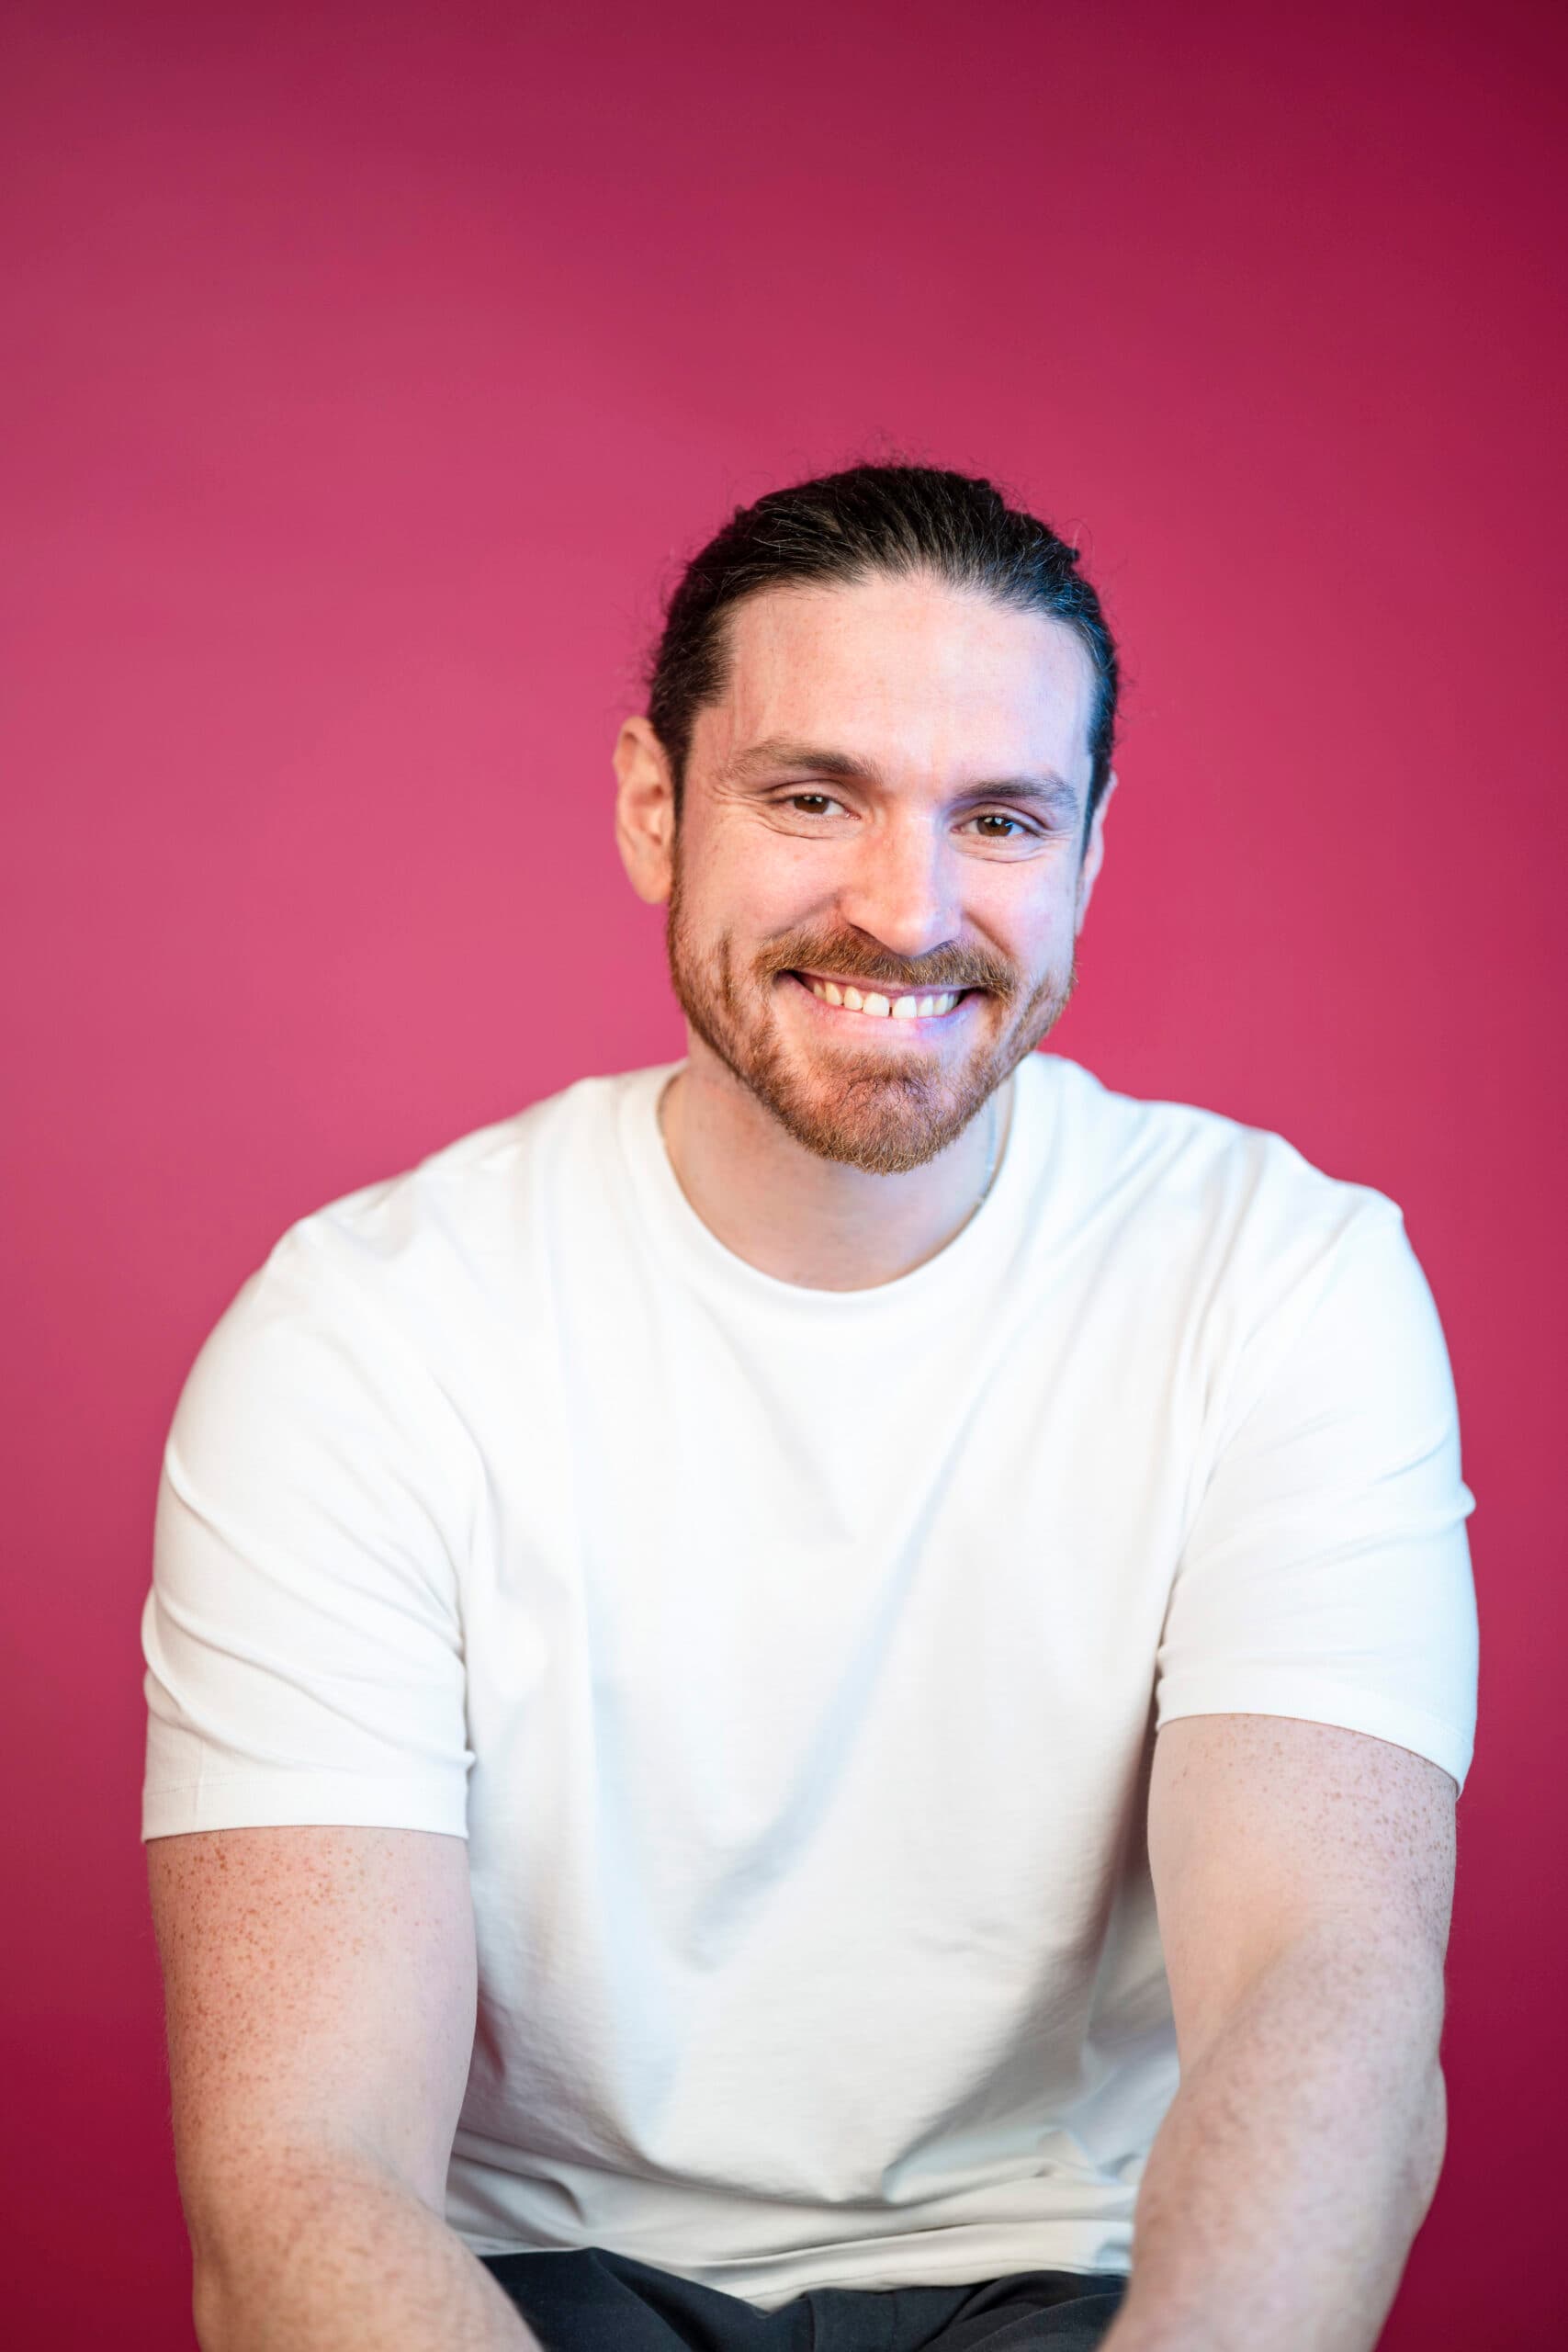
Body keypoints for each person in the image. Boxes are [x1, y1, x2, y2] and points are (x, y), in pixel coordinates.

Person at [141, 464, 1478, 2352]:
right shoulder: (361, 1340)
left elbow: (1326, 1995)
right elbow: (301, 2160)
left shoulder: (1281, 1280)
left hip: (1077, 2281)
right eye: (810, 794)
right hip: (526, 2293)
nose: (902, 907)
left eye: (997, 816)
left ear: (1087, 852)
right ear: (650, 807)